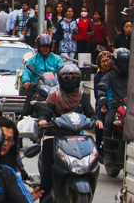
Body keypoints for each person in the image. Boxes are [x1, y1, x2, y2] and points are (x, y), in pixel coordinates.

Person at [37, 63, 102, 197]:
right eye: (66, 78)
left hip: (76, 138)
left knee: (90, 164)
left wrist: (97, 120)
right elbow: (46, 113)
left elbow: (90, 113)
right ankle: (44, 198)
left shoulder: (82, 96)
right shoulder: (54, 96)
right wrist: (43, 120)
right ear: (60, 79)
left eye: (73, 77)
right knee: (49, 171)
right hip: (54, 136)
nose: (70, 80)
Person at [20, 34, 64, 117]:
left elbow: (62, 70)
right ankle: (23, 119)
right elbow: (27, 71)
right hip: (37, 88)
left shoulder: (57, 59)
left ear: (51, 47)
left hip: (54, 87)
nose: (45, 49)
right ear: (38, 47)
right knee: (27, 109)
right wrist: (26, 81)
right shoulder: (33, 59)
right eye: (43, 46)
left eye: (47, 46)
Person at [100, 48, 129, 162]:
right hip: (116, 107)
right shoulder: (110, 75)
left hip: (130, 107)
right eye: (122, 62)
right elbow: (102, 86)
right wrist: (102, 97)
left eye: (126, 62)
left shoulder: (131, 75)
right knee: (108, 122)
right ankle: (107, 152)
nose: (124, 65)